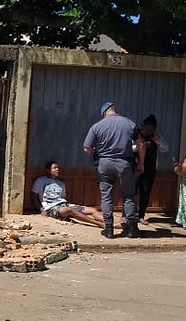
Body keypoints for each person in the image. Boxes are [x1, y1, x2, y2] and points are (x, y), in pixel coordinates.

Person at [83, 102, 145, 239]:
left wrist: (96, 150)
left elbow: (87, 148)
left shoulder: (97, 126)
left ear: (104, 113)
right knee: (128, 195)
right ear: (114, 111)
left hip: (104, 164)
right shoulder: (130, 124)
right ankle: (132, 229)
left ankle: (109, 229)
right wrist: (141, 162)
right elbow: (140, 144)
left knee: (106, 196)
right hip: (124, 164)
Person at [31, 161, 119, 229]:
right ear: (48, 170)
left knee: (92, 210)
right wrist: (41, 209)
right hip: (51, 208)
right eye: (54, 168)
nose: (57, 169)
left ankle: (110, 224)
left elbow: (62, 198)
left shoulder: (60, 183)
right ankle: (99, 224)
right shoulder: (40, 180)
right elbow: (33, 195)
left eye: (58, 168)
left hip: (64, 205)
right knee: (70, 210)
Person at [135, 114, 169, 224]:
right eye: (148, 128)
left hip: (150, 168)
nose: (149, 131)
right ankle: (127, 215)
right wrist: (140, 145)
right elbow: (128, 147)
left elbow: (165, 148)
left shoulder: (155, 136)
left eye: (152, 129)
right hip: (135, 167)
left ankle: (141, 215)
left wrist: (157, 141)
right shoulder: (136, 134)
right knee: (132, 191)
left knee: (145, 192)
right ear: (143, 126)